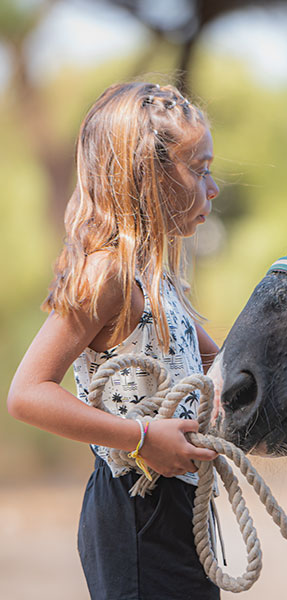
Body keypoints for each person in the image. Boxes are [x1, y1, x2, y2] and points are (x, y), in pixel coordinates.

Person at [7, 82, 222, 599]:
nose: (212, 188)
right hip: (136, 506)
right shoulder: (110, 276)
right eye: (199, 170)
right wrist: (144, 438)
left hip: (182, 505)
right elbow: (27, 393)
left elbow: (215, 363)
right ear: (146, 175)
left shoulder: (159, 278)